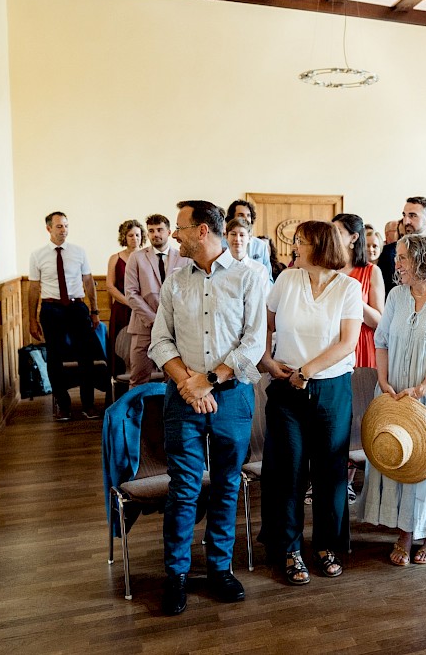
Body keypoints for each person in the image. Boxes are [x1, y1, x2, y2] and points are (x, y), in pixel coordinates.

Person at [148, 200, 268, 615]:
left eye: (180, 227)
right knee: (183, 487)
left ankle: (219, 568)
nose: (174, 234)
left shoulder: (248, 277)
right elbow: (159, 340)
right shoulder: (175, 280)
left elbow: (254, 343)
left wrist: (211, 379)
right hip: (183, 396)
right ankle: (176, 574)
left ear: (202, 231)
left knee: (226, 484)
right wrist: (189, 382)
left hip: (232, 396)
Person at [259, 220, 361, 585]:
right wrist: (267, 361)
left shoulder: (349, 288)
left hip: (331, 389)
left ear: (319, 247)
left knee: (330, 473)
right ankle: (288, 548)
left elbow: (348, 342)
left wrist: (307, 370)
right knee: (288, 470)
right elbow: (264, 325)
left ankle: (327, 546)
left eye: (299, 242)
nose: (294, 248)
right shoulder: (286, 280)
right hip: (286, 389)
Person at [358, 234, 426, 566]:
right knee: (401, 458)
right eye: (398, 258)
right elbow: (382, 340)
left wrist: (421, 389)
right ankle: (405, 532)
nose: (397, 264)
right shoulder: (396, 296)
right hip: (395, 393)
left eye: (403, 258)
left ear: (423, 260)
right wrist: (382, 379)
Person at [28, 212, 102, 421]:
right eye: (59, 226)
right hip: (52, 310)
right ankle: (63, 405)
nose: (64, 231)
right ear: (49, 229)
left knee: (86, 356)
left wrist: (94, 310)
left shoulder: (79, 252)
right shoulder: (37, 255)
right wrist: (32, 319)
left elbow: (88, 281)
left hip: (77, 308)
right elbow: (33, 288)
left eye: (66, 226)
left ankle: (88, 404)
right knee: (55, 357)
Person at [125, 214, 192, 388]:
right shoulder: (137, 257)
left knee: (175, 378)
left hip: (176, 326)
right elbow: (131, 293)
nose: (156, 234)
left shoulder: (183, 257)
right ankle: (135, 415)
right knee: (138, 377)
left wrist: (168, 320)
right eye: (151, 231)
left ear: (169, 232)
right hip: (144, 325)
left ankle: (169, 414)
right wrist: (155, 320)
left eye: (160, 230)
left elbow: (189, 291)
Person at [332, 213, 385, 370]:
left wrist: (354, 299)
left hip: (360, 342)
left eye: (338, 232)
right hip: (330, 341)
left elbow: (378, 321)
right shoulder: (327, 269)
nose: (332, 236)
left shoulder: (371, 271)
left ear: (353, 238)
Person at [107, 219, 145, 375]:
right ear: (124, 237)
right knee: (121, 347)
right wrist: (130, 302)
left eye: (137, 235)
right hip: (122, 309)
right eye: (130, 235)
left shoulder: (147, 256)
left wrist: (140, 305)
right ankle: (120, 389)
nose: (134, 238)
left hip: (143, 309)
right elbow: (110, 286)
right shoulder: (115, 258)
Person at [226, 199, 273, 279]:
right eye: (241, 215)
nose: (246, 219)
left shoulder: (261, 245)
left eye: (248, 215)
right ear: (232, 218)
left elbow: (268, 278)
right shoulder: (220, 245)